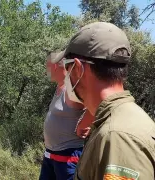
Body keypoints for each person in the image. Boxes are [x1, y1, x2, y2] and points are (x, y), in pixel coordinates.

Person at [57, 21, 155, 180]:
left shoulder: (117, 137)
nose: (65, 77)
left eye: (66, 68)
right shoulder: (119, 121)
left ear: (77, 69)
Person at [39, 51, 94, 180]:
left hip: (67, 157)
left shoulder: (72, 89)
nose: (45, 70)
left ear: (53, 66)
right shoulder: (60, 87)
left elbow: (97, 106)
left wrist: (85, 123)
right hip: (50, 155)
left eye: (46, 66)